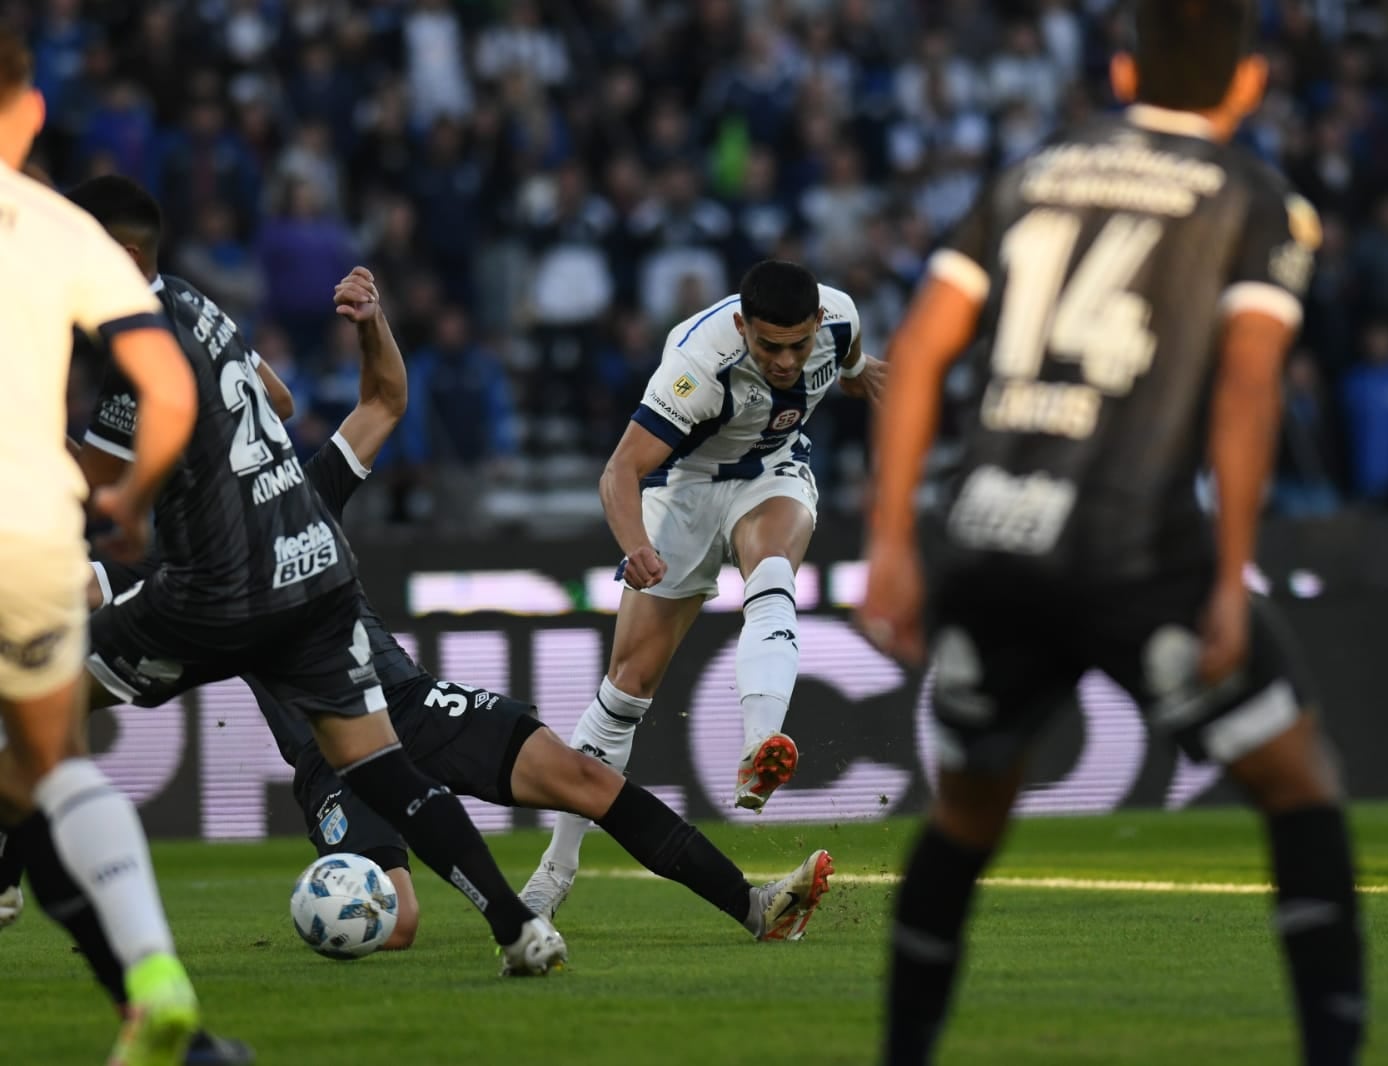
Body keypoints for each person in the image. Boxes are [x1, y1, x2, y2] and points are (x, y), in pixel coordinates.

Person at [857, 2, 1365, 1063]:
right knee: (1297, 780)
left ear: (1126, 68)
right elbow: (1248, 387)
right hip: (1138, 548)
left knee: (968, 812)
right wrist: (1232, 576)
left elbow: (919, 348)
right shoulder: (1254, 197)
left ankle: (903, 1052)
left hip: (991, 535)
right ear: (1250, 84)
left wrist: (893, 542)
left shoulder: (1032, 172)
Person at [88, 265, 834, 951]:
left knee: (585, 778)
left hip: (408, 701)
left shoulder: (300, 498)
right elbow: (82, 593)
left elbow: (382, 401)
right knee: (399, 921)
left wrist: (373, 323)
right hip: (332, 749)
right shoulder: (173, 581)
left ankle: (754, 906)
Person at [59, 174, 563, 980]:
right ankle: (516, 926)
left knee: (41, 693)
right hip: (307, 577)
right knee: (385, 770)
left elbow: (95, 482)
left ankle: (13, 881)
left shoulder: (138, 339)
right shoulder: (199, 304)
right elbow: (283, 399)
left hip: (214, 586)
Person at [523, 260, 885, 917]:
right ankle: (555, 869)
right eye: (768, 346)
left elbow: (851, 351)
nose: (784, 361)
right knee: (626, 687)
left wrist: (859, 376)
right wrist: (635, 545)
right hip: (682, 489)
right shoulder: (696, 366)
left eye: (798, 345)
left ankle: (759, 748)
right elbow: (619, 470)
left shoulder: (838, 318)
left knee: (772, 566)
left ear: (816, 325)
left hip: (771, 471)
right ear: (742, 325)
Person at [0, 29, 208, 1066]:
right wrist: (128, 497)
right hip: (32, 527)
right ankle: (156, 981)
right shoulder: (60, 229)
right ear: (28, 113)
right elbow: (167, 388)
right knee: (48, 766)